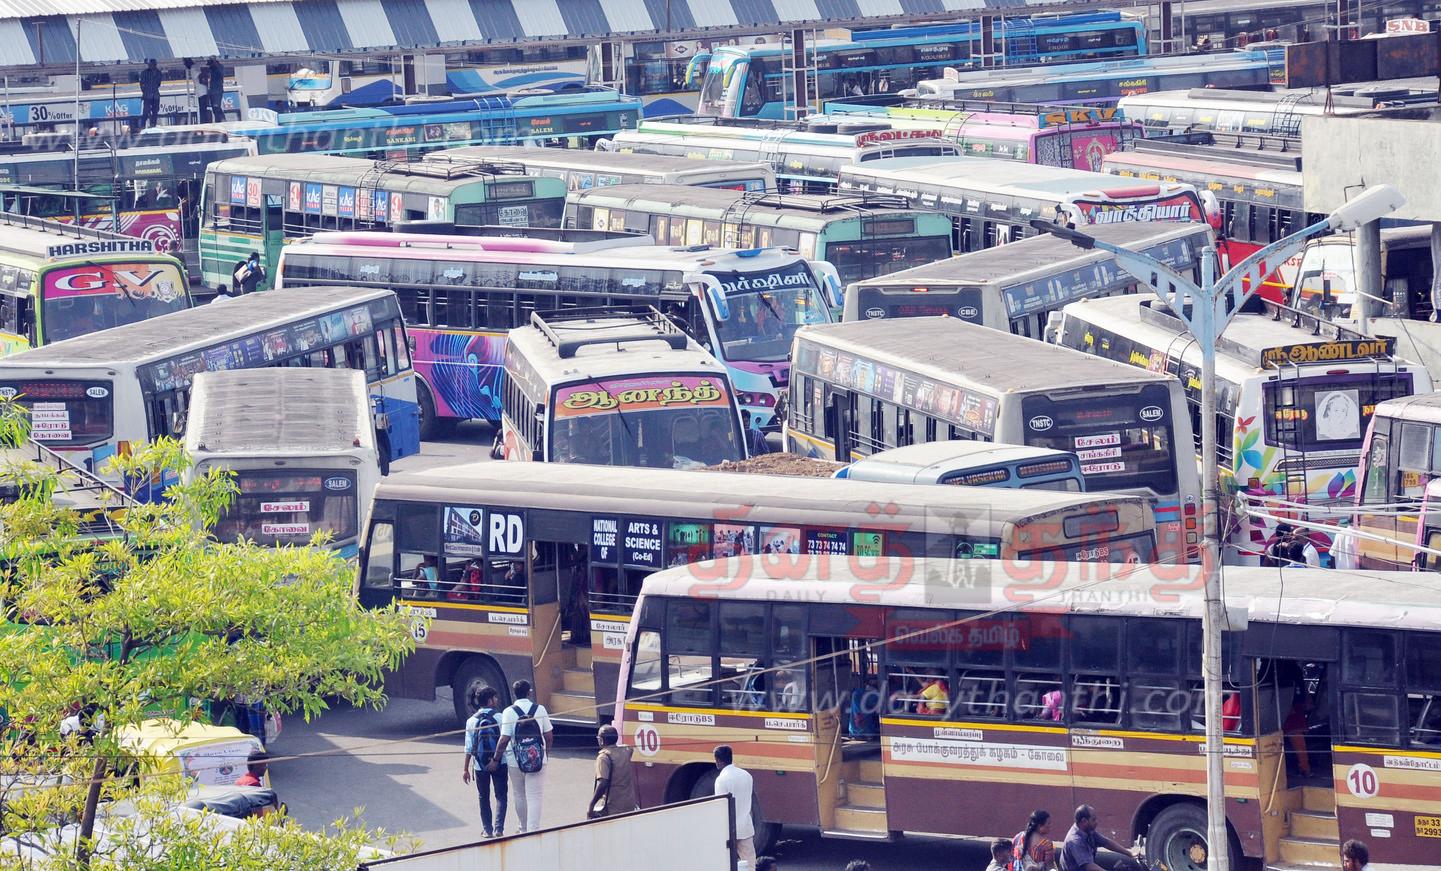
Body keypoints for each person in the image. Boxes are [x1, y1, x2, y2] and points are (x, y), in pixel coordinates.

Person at [494, 679, 553, 834]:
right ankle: (534, 830)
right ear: (529, 692)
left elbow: (504, 739)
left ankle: (523, 829)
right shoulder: (539, 709)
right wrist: (545, 754)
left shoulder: (508, 712)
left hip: (515, 760)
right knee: (535, 795)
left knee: (519, 794)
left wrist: (496, 758)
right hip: (538, 758)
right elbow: (548, 735)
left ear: (515, 694)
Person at [462, 686, 507, 838]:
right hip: (500, 762)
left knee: (483, 796)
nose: (496, 700)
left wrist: (465, 769)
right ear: (489, 701)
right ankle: (499, 828)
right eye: (495, 698)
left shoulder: (471, 721)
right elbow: (506, 740)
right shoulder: (500, 717)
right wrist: (497, 760)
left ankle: (487, 830)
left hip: (479, 765)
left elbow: (469, 747)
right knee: (501, 795)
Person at [1059, 805, 1141, 871]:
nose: (1096, 822)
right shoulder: (1075, 840)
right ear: (1084, 821)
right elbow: (1089, 866)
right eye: (1093, 819)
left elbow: (1107, 843)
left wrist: (1130, 854)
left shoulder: (1088, 831)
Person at [713, 745, 756, 864]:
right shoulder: (747, 775)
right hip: (745, 827)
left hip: (728, 830)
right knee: (750, 864)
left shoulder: (721, 780)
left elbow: (720, 807)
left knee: (728, 864)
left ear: (718, 760)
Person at [587, 724, 639, 818]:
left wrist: (591, 805)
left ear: (601, 740)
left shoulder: (603, 758)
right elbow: (629, 748)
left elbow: (603, 783)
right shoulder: (626, 750)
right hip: (629, 804)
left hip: (614, 807)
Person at [139, 59, 162, 130]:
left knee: (155, 111)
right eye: (150, 64)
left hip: (155, 95)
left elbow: (158, 84)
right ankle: (142, 126)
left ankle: (153, 125)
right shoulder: (144, 73)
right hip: (147, 95)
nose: (151, 65)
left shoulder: (159, 73)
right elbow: (141, 84)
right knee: (146, 111)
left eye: (153, 64)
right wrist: (145, 91)